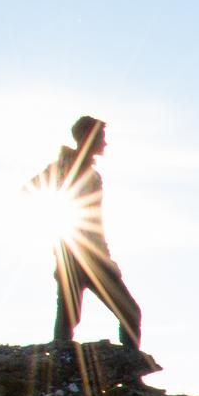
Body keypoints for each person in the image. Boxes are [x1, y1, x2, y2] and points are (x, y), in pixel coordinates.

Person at [32, 114, 142, 348]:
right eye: (102, 137)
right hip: (80, 256)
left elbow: (93, 222)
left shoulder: (86, 172)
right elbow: (31, 191)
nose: (105, 143)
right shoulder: (64, 166)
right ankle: (128, 377)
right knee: (128, 313)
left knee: (70, 320)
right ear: (87, 138)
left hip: (79, 254)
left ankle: (64, 372)